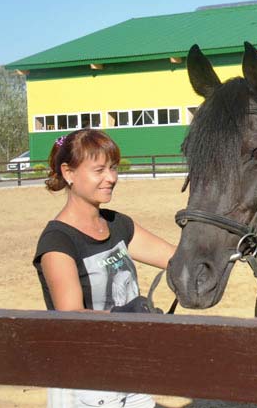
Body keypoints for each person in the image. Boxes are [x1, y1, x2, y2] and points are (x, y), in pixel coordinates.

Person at [33, 128, 177, 408]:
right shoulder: (58, 241)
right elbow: (70, 315)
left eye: (113, 168)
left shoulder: (117, 224)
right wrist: (126, 315)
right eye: (99, 170)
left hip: (129, 369)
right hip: (84, 381)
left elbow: (175, 260)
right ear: (69, 173)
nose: (111, 178)